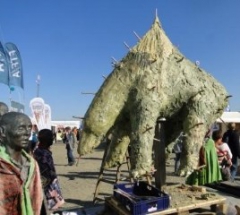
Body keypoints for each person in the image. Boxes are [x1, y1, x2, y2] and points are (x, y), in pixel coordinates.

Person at [0, 112, 43, 214]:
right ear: (2, 132)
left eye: (29, 128)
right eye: (21, 128)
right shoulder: (2, 165)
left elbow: (38, 197)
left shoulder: (31, 164)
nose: (27, 133)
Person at [33, 129, 65, 210]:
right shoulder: (43, 153)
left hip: (49, 180)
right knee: (53, 204)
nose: (52, 139)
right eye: (51, 137)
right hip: (47, 182)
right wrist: (52, 182)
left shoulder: (40, 150)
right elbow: (46, 171)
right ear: (46, 140)